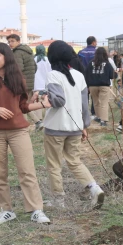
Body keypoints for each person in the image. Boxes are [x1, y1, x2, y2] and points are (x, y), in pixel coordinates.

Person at [0, 42, 50, 224]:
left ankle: (36, 209)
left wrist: (43, 104)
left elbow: (22, 106)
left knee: (27, 170)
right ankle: (6, 210)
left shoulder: (17, 78)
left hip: (18, 131)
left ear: (6, 57)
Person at [42, 40, 105, 209]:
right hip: (76, 127)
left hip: (55, 128)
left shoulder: (53, 75)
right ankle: (94, 188)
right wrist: (84, 126)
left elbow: (57, 101)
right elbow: (85, 105)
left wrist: (43, 99)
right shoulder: (79, 75)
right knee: (75, 161)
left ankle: (58, 200)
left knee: (54, 165)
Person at [7, 34, 41, 128]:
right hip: (29, 83)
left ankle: (24, 127)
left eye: (12, 41)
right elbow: (35, 67)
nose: (10, 43)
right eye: (9, 42)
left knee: (21, 106)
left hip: (21, 83)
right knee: (24, 104)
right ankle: (37, 122)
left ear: (18, 41)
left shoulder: (17, 52)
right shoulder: (28, 51)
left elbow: (18, 68)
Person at [85, 47, 116, 127]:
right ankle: (103, 120)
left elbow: (86, 75)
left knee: (95, 102)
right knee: (104, 102)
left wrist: (88, 85)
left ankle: (98, 117)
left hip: (92, 86)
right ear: (105, 54)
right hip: (104, 85)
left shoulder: (90, 63)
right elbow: (113, 76)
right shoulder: (107, 63)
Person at [32, 44, 52, 131]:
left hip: (36, 84)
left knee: (38, 102)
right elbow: (50, 71)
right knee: (47, 100)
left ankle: (39, 119)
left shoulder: (34, 60)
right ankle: (48, 119)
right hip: (46, 83)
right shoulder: (48, 60)